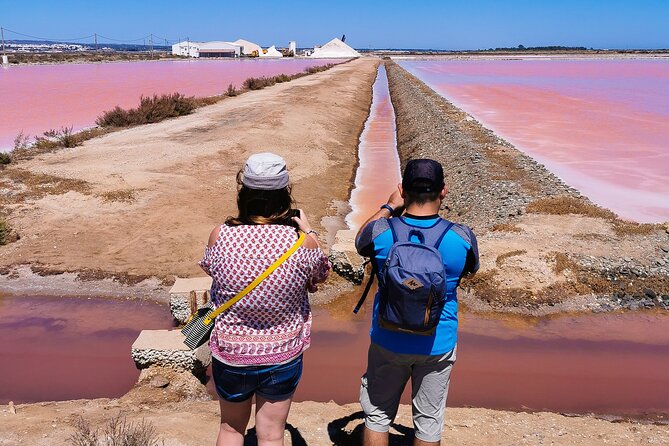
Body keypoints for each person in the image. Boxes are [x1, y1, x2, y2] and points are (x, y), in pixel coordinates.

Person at [199, 152, 330, 446]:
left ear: (243, 193)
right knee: (271, 434)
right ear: (285, 195)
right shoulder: (302, 243)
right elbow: (321, 273)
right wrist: (308, 230)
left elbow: (212, 270)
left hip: (231, 351)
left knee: (231, 428)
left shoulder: (219, 235)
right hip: (282, 352)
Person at [355, 158, 479, 446]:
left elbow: (361, 239)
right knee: (429, 423)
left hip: (388, 339)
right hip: (438, 341)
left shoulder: (383, 232)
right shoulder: (460, 237)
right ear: (443, 191)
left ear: (402, 190)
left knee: (377, 417)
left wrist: (388, 207)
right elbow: (470, 271)